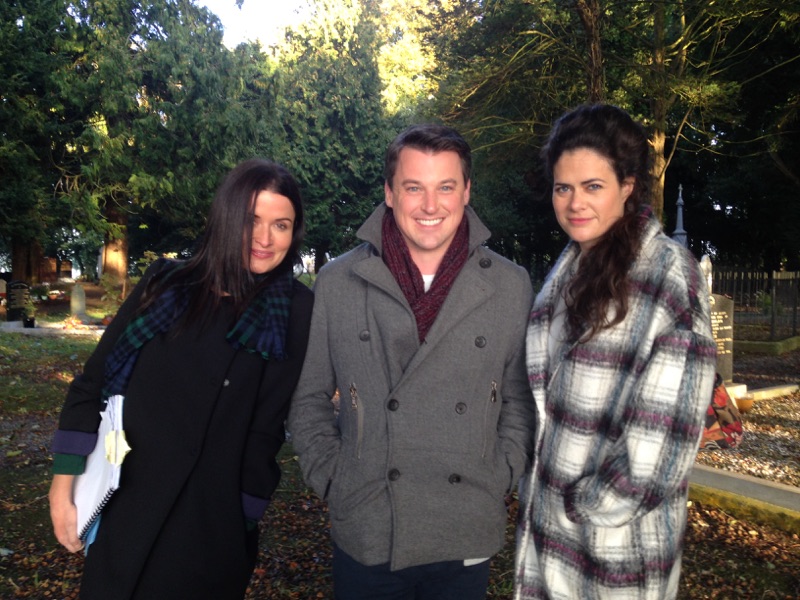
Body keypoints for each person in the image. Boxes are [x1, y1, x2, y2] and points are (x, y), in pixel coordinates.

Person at [288, 123, 535, 599]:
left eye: (445, 187)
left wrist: (500, 471)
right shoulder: (340, 282)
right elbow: (309, 395)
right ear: (389, 193)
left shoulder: (509, 284)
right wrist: (335, 478)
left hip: (464, 522)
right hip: (370, 524)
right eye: (413, 187)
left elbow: (519, 398)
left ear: (466, 192)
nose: (430, 205)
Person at [48, 158, 314, 599]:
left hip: (210, 527)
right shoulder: (166, 282)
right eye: (252, 221)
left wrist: (245, 515)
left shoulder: (295, 311)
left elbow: (266, 429)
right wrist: (63, 484)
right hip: (126, 504)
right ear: (227, 219)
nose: (266, 239)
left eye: (281, 225)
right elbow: (93, 382)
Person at [514, 104, 717, 600]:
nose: (575, 203)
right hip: (551, 543)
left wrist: (579, 506)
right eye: (564, 187)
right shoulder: (569, 270)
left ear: (627, 185)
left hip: (616, 555)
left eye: (593, 186)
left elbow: (661, 450)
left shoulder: (666, 276)